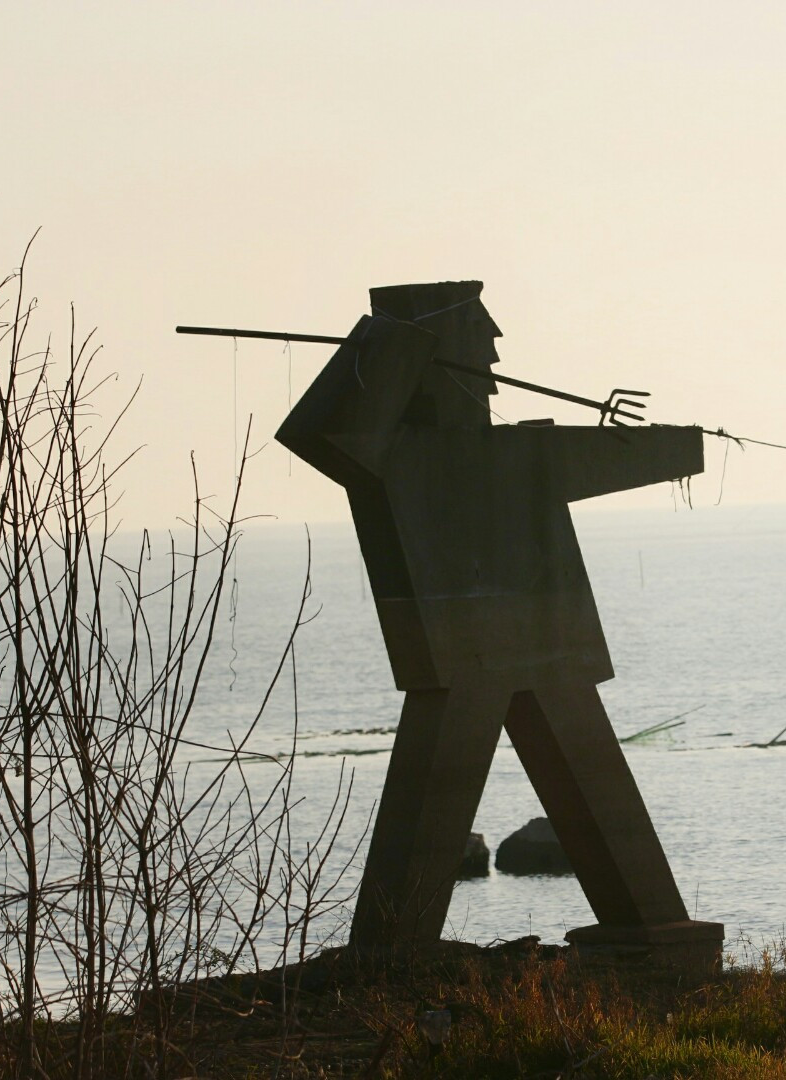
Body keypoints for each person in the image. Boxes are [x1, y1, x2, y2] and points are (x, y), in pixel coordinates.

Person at [278, 281, 721, 960]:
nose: (494, 352)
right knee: (466, 799)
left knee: (572, 801)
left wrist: (402, 339)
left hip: (530, 652)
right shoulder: (399, 452)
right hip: (489, 654)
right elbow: (322, 430)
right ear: (439, 354)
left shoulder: (506, 452)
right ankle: (396, 952)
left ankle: (397, 952)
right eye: (479, 337)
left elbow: (660, 452)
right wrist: (397, 336)